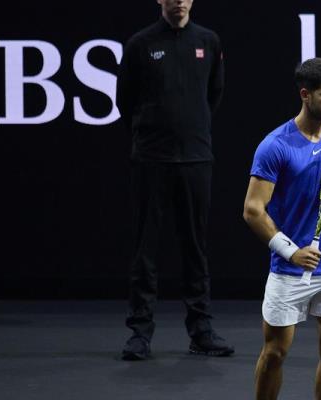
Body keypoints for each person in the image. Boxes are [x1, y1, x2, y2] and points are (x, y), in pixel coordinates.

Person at [243, 57, 321, 400]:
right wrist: (291, 251)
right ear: (305, 95)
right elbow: (253, 210)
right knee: (274, 354)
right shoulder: (275, 146)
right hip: (289, 270)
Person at [115, 0, 233, 360]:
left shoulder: (208, 41)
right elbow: (126, 100)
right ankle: (139, 333)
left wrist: (190, 131)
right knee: (145, 249)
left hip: (196, 159)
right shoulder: (140, 44)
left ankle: (201, 330)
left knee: (194, 247)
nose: (179, 0)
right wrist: (151, 133)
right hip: (151, 160)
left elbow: (214, 94)